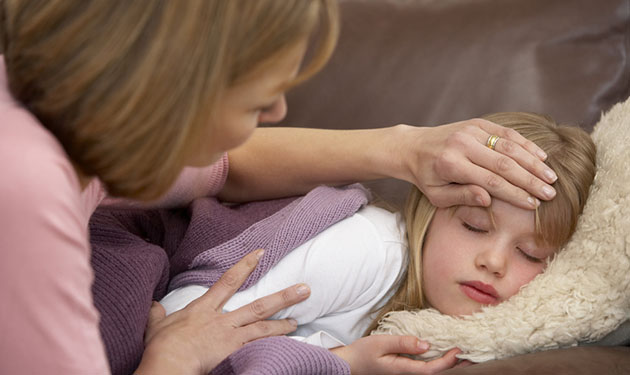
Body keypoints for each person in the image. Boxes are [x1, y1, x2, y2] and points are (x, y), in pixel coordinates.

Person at [0, 0, 560, 374]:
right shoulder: (26, 187)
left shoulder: (74, 130)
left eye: (534, 254)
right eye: (255, 98)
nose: (278, 111)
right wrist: (170, 359)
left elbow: (226, 168)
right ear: (168, 83)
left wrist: (406, 150)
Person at [160, 111, 596, 374]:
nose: (494, 261)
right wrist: (340, 361)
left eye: (530, 254)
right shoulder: (370, 249)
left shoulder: (453, 326)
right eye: (474, 226)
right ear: (431, 207)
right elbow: (183, 325)